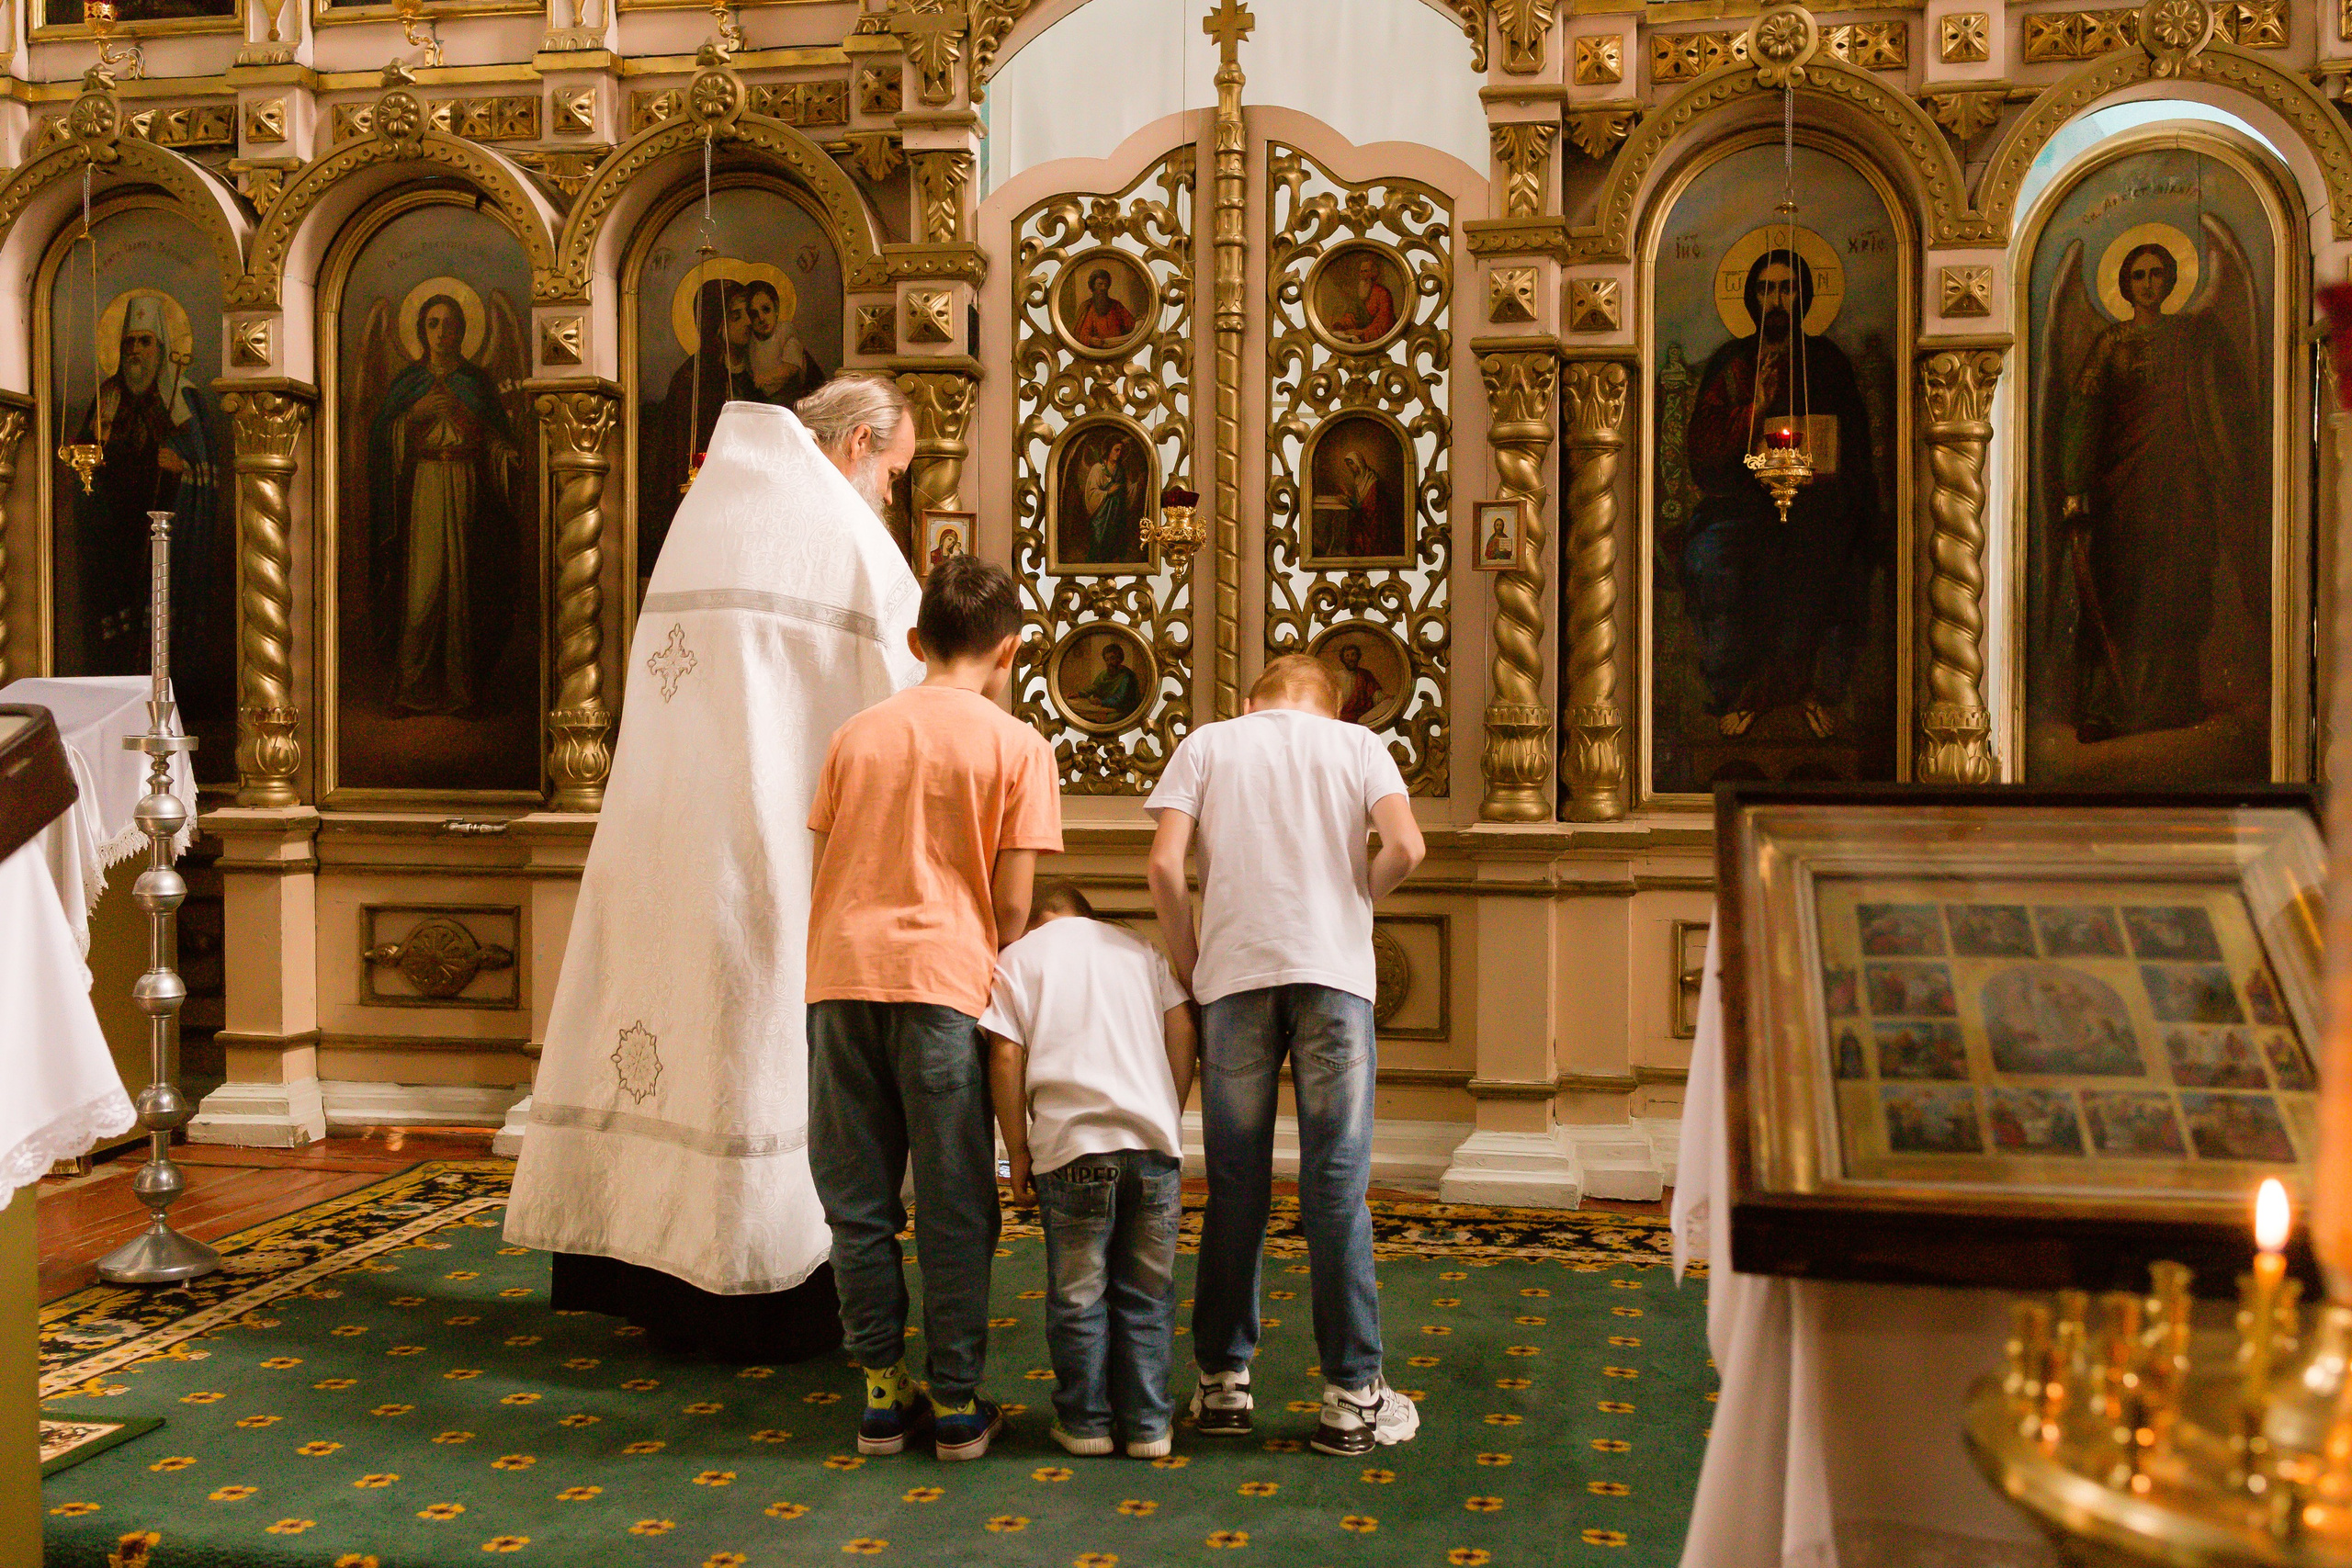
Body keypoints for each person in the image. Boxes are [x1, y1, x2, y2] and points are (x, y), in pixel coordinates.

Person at [503, 372, 922, 1363]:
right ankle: (769, 1295)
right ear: (859, 442)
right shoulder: (845, 535)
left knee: (683, 1045)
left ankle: (659, 1282)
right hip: (779, 857)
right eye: (894, 472)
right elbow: (909, 701)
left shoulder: (709, 514)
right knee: (761, 1052)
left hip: (665, 850)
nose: (891, 495)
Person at [806, 552, 1064, 1462]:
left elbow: (824, 867)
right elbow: (1012, 906)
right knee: (955, 1203)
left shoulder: (854, 736)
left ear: (916, 641)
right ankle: (955, 1401)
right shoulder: (1019, 746)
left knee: (857, 1200)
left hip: (841, 978)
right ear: (1011, 649)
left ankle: (882, 1394)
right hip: (947, 986)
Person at [1145, 652, 1426, 1456]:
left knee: (1235, 1186)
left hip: (1234, 978)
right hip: (1334, 980)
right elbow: (1407, 847)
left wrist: (1191, 960)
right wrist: (1353, 898)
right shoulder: (1358, 745)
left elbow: (1163, 863)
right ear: (1333, 708)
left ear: (1249, 701)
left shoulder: (1209, 742)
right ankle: (1352, 1395)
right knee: (1336, 1186)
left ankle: (1222, 1383)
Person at [982, 881, 1195, 1460]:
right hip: (1152, 1145)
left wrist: (1017, 1150)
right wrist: (1168, 1113)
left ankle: (1085, 1424)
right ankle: (1149, 1425)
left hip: (1071, 1150)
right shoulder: (1138, 949)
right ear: (1086, 915)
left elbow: (1005, 1053)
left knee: (1079, 1296)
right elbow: (1182, 1026)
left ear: (1037, 918)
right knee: (1148, 1294)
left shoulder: (1017, 958)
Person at [2058, 240, 2262, 748]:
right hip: (2122, 488)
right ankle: (2106, 707)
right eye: (2139, 276)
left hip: (2183, 486)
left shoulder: (2193, 337)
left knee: (2177, 589)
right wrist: (2075, 485)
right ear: (2125, 285)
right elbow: (2083, 415)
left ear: (2172, 280)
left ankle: (2172, 702)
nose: (2148, 284)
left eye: (2156, 274)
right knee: (2119, 588)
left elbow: (2223, 404)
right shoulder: (2110, 343)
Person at [1679, 248, 1879, 740]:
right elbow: (1703, 446)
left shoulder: (1826, 361)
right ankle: (1736, 694)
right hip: (1741, 502)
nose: (1776, 301)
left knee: (1827, 559)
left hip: (1819, 504)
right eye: (1766, 289)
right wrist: (1756, 409)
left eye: (1787, 288)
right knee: (1710, 558)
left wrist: (1829, 477)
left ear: (1804, 295)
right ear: (1751, 296)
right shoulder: (1732, 362)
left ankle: (1812, 692)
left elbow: (1854, 446)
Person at [62, 294, 222, 708]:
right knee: (120, 630)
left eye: (144, 341)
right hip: (116, 533)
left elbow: (206, 470)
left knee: (161, 619)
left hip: (166, 532)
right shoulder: (107, 398)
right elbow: (82, 463)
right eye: (128, 341)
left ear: (162, 347)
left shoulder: (183, 399)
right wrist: (96, 449)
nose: (134, 350)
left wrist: (181, 468)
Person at [367, 292, 523, 715]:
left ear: (463, 331)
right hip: (424, 488)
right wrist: (411, 416)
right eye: (433, 323)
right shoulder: (409, 383)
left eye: (450, 324)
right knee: (422, 590)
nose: (442, 332)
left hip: (468, 486)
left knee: (462, 590)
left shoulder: (476, 383)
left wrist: (503, 454)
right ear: (421, 330)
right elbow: (380, 438)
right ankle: (411, 687)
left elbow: (493, 438)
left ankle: (461, 690)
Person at [744, 279, 820, 405]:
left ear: (776, 308)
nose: (761, 318)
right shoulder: (750, 342)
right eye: (754, 314)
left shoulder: (786, 333)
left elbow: (791, 368)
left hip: (792, 396)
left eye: (766, 309)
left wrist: (768, 377)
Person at [1079, 435, 1142, 564]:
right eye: (1116, 450)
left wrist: (1137, 485)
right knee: (1099, 540)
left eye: (1121, 451)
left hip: (1117, 513)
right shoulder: (1098, 468)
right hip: (1101, 514)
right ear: (1109, 450)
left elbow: (1127, 489)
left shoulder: (1120, 469)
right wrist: (1108, 492)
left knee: (1115, 539)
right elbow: (1092, 492)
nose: (1119, 453)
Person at [1327, 254, 1396, 344]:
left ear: (1373, 273)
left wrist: (1362, 332)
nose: (1362, 275)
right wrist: (1340, 324)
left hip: (1381, 340)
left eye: (1366, 271)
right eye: (1361, 272)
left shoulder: (1383, 293)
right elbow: (1351, 316)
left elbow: (1383, 322)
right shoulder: (1360, 293)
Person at [1074, 641, 1143, 723]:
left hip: (1123, 710)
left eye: (1112, 658)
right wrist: (1079, 693)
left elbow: (1119, 698)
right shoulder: (1104, 674)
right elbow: (1094, 686)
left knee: (1102, 721)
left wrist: (1102, 702)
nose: (1109, 662)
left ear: (1119, 658)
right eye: (1107, 660)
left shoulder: (1127, 676)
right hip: (1105, 708)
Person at [1073, 267, 1136, 349]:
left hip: (1119, 349)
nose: (1103, 288)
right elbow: (1080, 335)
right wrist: (1090, 340)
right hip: (1096, 351)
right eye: (1100, 284)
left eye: (1106, 285)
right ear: (1093, 286)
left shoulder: (1117, 305)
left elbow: (1131, 325)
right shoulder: (1087, 308)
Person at [1333, 642, 1385, 727]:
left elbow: (1375, 695)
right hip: (1342, 718)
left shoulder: (1365, 675)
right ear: (1342, 659)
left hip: (1362, 717)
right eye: (1347, 656)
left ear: (1358, 657)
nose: (1351, 659)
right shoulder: (1336, 677)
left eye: (1353, 655)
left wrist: (1384, 699)